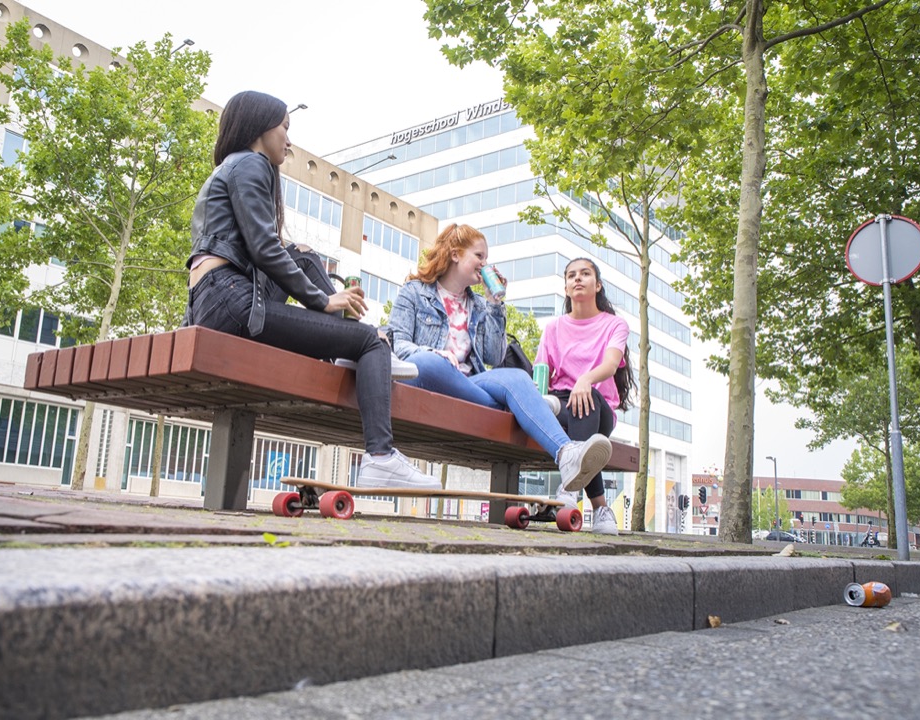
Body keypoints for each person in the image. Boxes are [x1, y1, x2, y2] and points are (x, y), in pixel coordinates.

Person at [182, 90, 435, 490]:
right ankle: (381, 455)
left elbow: (250, 253)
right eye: (284, 126)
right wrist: (322, 298)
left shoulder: (230, 168)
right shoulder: (252, 163)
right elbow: (263, 249)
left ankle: (345, 346)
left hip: (215, 300)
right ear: (259, 126)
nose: (288, 138)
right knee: (369, 341)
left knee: (300, 252)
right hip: (232, 299)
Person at [389, 223, 613, 498]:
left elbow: (494, 357)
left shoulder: (479, 305)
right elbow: (397, 345)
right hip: (428, 373)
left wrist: (495, 304)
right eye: (479, 256)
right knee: (432, 362)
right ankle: (521, 409)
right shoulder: (414, 292)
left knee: (518, 378)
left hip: (469, 383)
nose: (485, 264)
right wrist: (434, 353)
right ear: (456, 254)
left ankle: (566, 453)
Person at [535, 257, 635, 535]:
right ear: (566, 288)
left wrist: (585, 379)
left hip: (598, 406)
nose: (577, 279)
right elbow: (541, 372)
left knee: (585, 400)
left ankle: (568, 488)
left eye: (585, 274)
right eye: (571, 276)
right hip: (562, 404)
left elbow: (611, 365)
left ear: (598, 285)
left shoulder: (614, 325)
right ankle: (601, 509)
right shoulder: (553, 328)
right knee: (582, 439)